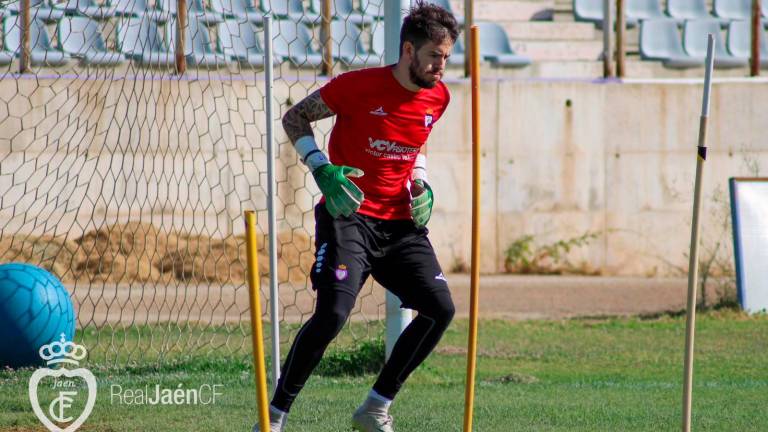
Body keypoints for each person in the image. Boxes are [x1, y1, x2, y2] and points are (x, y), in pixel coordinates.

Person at [256, 2, 459, 431]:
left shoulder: (438, 97)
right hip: (348, 215)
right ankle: (273, 418)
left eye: (447, 56)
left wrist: (420, 182)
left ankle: (375, 408)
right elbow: (294, 117)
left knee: (440, 309)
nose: (442, 66)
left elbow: (414, 142)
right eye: (435, 56)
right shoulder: (356, 86)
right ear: (409, 51)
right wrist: (321, 167)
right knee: (332, 315)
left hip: (401, 224)